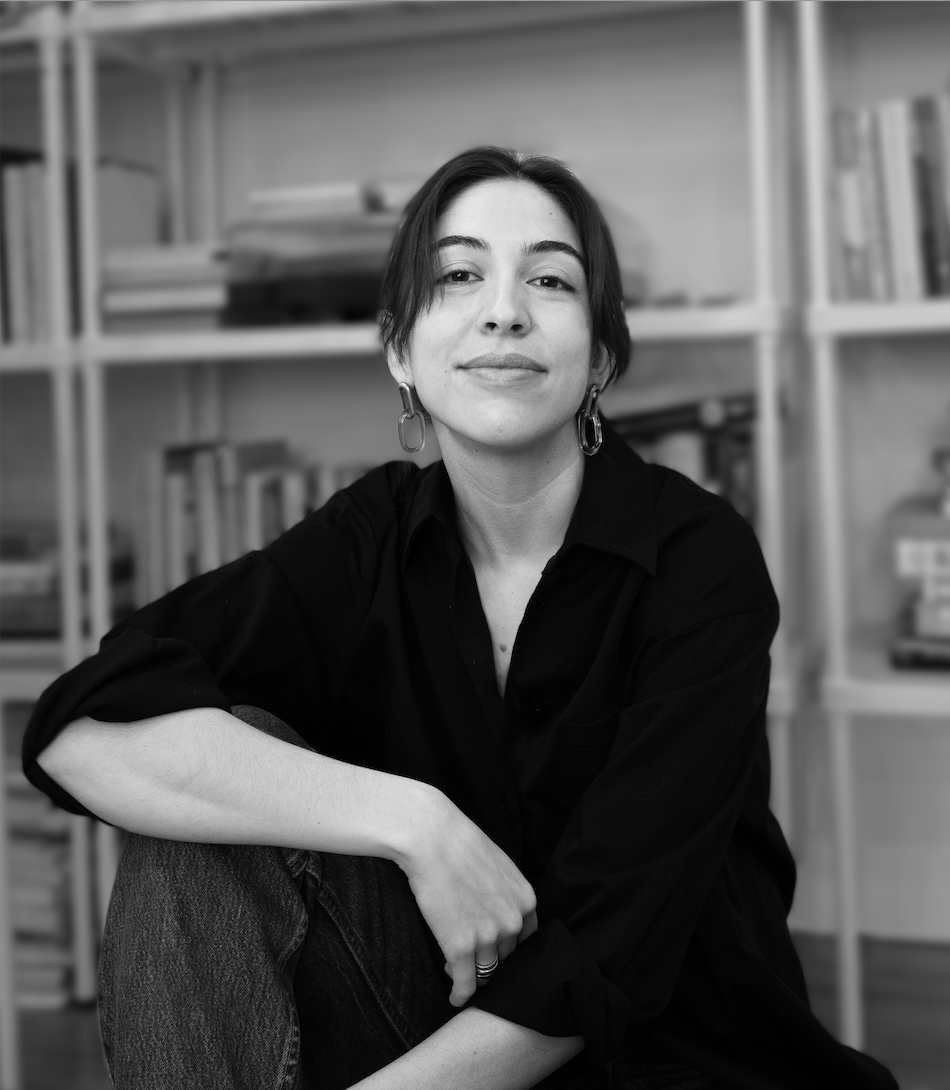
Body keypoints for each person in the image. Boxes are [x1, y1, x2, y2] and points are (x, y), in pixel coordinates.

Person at [24, 147, 896, 1090]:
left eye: (550, 280)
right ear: (400, 351)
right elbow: (81, 729)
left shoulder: (699, 558)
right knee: (201, 815)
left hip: (674, 1058)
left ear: (600, 358)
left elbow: (603, 958)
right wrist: (414, 822)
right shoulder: (368, 540)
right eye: (459, 275)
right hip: (432, 1023)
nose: (504, 310)